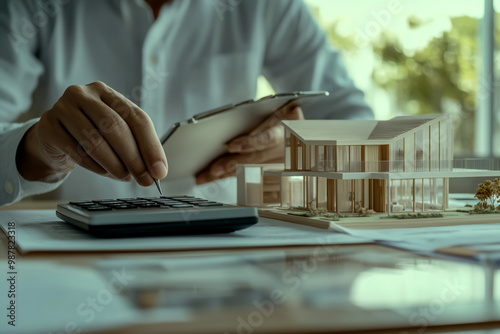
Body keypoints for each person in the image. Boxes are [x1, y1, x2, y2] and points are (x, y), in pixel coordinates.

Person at [0, 0, 373, 206]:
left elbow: (361, 132)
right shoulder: (30, 7)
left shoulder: (269, 6)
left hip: (225, 270)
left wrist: (296, 151)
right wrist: (34, 149)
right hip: (71, 269)